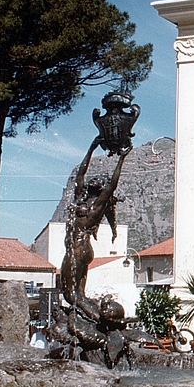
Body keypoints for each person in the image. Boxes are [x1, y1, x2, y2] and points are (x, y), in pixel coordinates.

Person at [60, 137, 132, 322]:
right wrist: (91, 148)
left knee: (70, 295)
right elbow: (81, 175)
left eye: (99, 179)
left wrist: (122, 159)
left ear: (101, 187)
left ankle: (100, 320)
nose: (95, 178)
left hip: (77, 248)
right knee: (80, 295)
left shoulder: (97, 205)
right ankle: (95, 318)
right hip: (84, 249)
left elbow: (112, 185)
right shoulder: (82, 198)